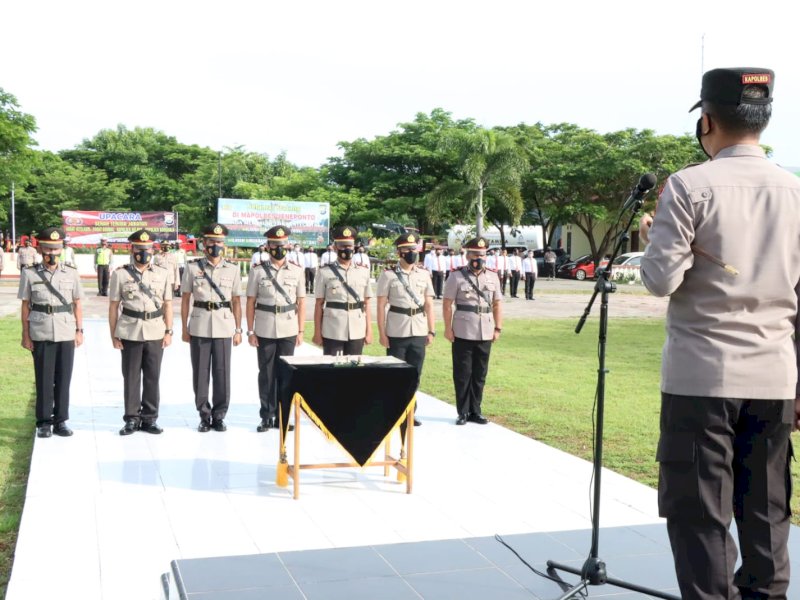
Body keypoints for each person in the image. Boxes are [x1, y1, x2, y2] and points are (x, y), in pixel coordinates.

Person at [639, 67, 800, 599]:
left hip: (702, 379)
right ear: (764, 117)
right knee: (768, 514)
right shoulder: (795, 190)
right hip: (775, 376)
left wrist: (655, 238)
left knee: (700, 517)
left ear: (706, 121)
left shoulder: (690, 185)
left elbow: (660, 280)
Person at [18, 227, 84, 438]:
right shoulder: (29, 273)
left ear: (61, 250)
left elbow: (78, 303)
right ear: (41, 250)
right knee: (44, 379)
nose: (52, 253)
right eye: (48, 249)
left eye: (56, 249)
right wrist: (25, 334)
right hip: (41, 331)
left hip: (66, 330)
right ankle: (44, 422)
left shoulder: (71, 272)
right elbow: (26, 306)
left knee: (64, 378)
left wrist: (79, 330)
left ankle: (61, 421)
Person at [108, 230, 173, 436]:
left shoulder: (162, 273)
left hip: (155, 330)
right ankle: (131, 419)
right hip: (129, 331)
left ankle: (150, 419)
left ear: (153, 249)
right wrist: (113, 334)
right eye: (139, 248)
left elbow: (168, 304)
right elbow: (113, 306)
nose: (143, 252)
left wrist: (169, 331)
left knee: (153, 377)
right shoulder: (120, 274)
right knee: (131, 377)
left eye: (147, 249)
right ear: (131, 249)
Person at [180, 223, 243, 432]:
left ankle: (219, 416)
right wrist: (183, 328)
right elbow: (185, 299)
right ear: (204, 243)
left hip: (224, 325)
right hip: (199, 325)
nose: (215, 245)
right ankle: (204, 415)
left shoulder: (233, 269)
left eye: (219, 242)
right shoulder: (192, 268)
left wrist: (238, 329)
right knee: (200, 373)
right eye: (211, 242)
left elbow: (236, 301)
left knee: (222, 373)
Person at [246, 225, 305, 431]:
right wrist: (251, 331)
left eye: (282, 244)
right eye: (274, 244)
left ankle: (283, 416)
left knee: (286, 374)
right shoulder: (258, 271)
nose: (278, 248)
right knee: (266, 372)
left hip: (289, 327)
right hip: (264, 327)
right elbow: (251, 301)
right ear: (268, 246)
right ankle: (267, 415)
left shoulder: (297, 270)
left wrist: (300, 331)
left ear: (287, 245)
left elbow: (301, 301)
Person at [442, 237, 503, 425]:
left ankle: (476, 410)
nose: (479, 257)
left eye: (483, 254)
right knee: (462, 373)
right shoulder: (456, 276)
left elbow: (497, 304)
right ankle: (463, 412)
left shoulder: (493, 276)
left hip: (485, 329)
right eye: (475, 254)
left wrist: (498, 327)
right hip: (463, 330)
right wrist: (447, 328)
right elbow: (447, 304)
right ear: (467, 255)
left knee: (480, 373)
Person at [376, 233, 435, 427]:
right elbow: (381, 305)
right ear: (399, 252)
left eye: (414, 249)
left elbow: (428, 304)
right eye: (407, 250)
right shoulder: (388, 275)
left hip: (418, 329)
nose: (411, 253)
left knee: (414, 374)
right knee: (396, 374)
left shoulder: (424, 274)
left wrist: (431, 330)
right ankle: (395, 413)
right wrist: (382, 333)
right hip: (397, 330)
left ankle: (410, 412)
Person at [313, 225, 373, 355]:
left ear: (354, 247)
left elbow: (367, 304)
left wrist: (369, 331)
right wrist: (317, 332)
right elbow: (318, 304)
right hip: (333, 329)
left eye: (349, 245)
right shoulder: (324, 272)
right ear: (335, 247)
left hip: (357, 328)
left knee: (354, 370)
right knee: (333, 371)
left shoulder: (363, 271)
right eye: (342, 245)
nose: (346, 249)